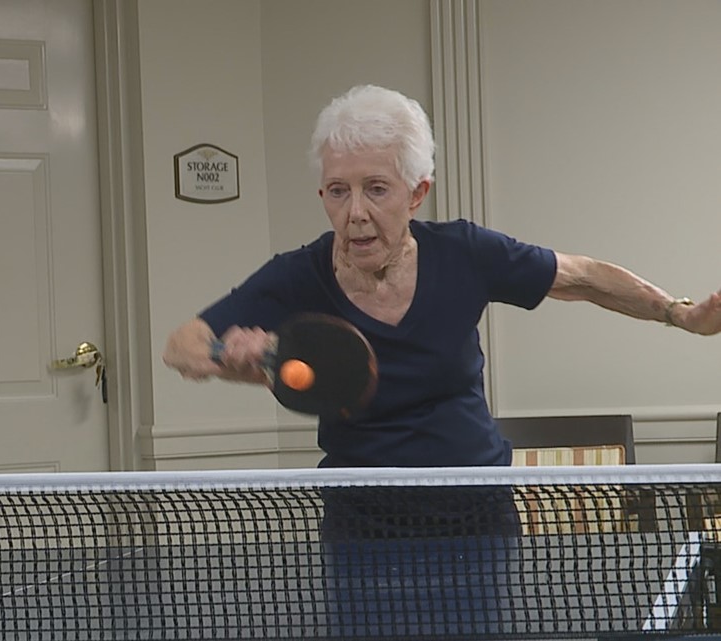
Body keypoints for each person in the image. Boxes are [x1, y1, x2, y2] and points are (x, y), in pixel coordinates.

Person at [161, 84, 721, 637]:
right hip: (362, 527)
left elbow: (580, 277)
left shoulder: (465, 253)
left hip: (477, 518)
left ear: (416, 192)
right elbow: (181, 344)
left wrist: (680, 313)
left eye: (376, 188)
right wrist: (232, 357)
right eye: (337, 190)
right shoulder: (296, 275)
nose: (355, 213)